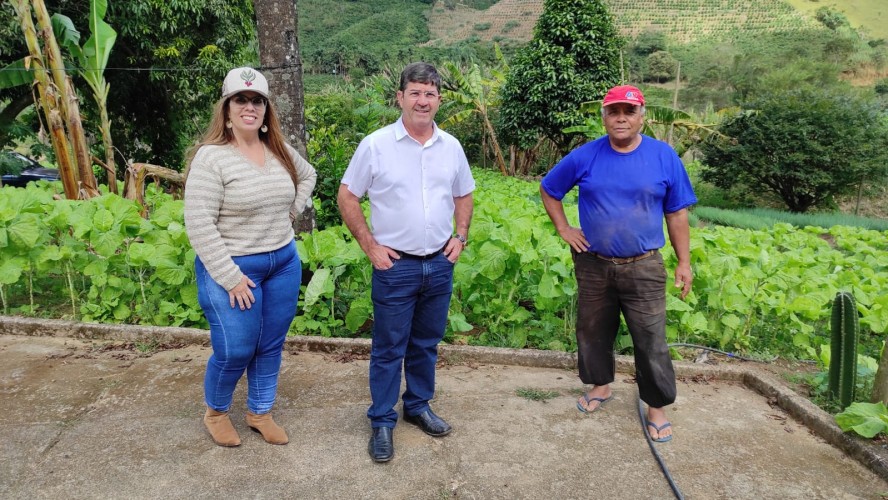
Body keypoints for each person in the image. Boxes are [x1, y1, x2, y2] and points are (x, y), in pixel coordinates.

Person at [539, 85, 696, 443]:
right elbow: (549, 189)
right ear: (604, 117)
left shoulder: (663, 156)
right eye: (613, 112)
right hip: (593, 263)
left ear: (642, 116)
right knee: (593, 329)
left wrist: (684, 261)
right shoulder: (586, 155)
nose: (621, 118)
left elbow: (676, 212)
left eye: (629, 111)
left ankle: (655, 406)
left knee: (650, 337)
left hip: (644, 265)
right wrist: (564, 228)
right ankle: (601, 386)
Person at [337, 62, 475, 463]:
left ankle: (417, 405)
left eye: (430, 93)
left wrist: (460, 236)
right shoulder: (376, 145)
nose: (422, 100)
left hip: (439, 262)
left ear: (439, 100)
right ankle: (382, 420)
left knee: (426, 344)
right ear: (400, 97)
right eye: (415, 92)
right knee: (388, 347)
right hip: (395, 266)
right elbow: (348, 196)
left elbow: (463, 194)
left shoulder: (451, 147)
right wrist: (370, 246)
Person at [184, 67, 317, 447]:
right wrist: (230, 276)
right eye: (240, 100)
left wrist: (290, 211)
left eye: (257, 100)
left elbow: (308, 175)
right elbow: (199, 223)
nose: (250, 107)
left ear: (265, 110)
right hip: (233, 266)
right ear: (226, 110)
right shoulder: (212, 158)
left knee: (271, 342)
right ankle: (216, 412)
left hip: (283, 263)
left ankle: (259, 411)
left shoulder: (277, 149)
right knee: (236, 347)